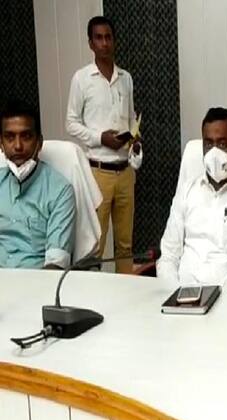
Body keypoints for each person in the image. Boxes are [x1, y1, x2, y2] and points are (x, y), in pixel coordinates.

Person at [157, 107, 227, 288]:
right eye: (209, 144)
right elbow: (169, 254)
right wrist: (172, 290)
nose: (214, 153)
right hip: (179, 294)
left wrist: (216, 294)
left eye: (223, 144)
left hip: (226, 297)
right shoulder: (187, 191)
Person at [66, 16, 142, 274]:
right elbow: (71, 123)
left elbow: (130, 119)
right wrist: (101, 138)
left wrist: (135, 139)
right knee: (95, 244)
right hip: (98, 173)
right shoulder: (81, 79)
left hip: (125, 171)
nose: (104, 43)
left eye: (108, 37)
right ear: (90, 43)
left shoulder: (126, 78)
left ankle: (126, 291)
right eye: (98, 38)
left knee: (125, 244)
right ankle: (94, 292)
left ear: (114, 40)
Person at [0, 100, 75, 269]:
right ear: (1, 144)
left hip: (35, 280)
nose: (17, 146)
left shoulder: (60, 191)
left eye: (26, 136)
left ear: (39, 143)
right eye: (9, 137)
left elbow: (56, 264)